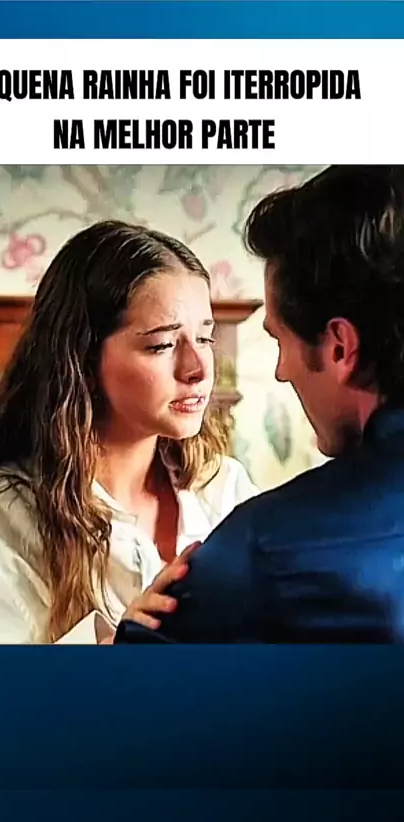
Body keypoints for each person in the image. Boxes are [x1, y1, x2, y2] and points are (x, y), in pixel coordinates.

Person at [0, 220, 257, 644]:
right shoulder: (0, 516)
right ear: (82, 358)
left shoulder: (224, 488)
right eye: (161, 345)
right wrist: (109, 653)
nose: (198, 369)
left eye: (206, 339)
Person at [115, 165, 404, 645]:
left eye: (279, 340)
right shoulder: (0, 514)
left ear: (339, 347)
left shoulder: (261, 546)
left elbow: (128, 687)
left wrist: (124, 643)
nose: (281, 371)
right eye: (162, 344)